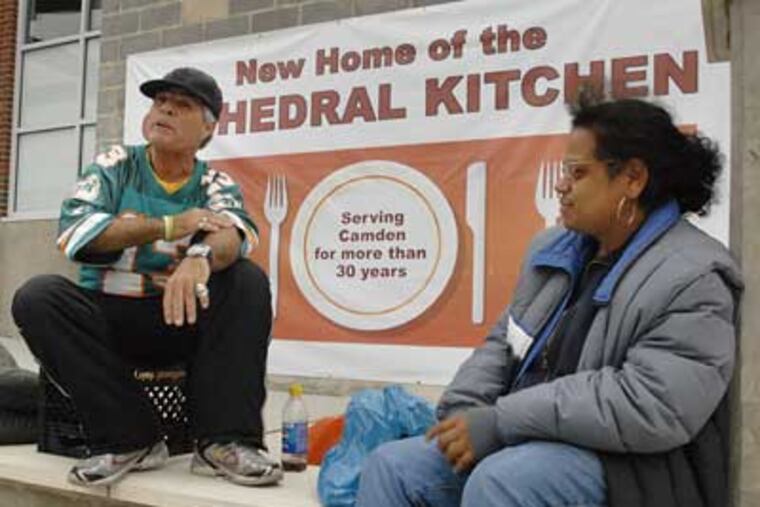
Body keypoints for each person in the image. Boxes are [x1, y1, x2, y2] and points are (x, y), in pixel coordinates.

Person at [356, 97, 742, 507]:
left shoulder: (694, 275)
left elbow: (652, 402)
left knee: (503, 482)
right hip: (530, 436)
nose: (561, 186)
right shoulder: (556, 251)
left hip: (632, 466)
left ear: (632, 178)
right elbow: (503, 343)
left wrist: (503, 421)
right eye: (564, 172)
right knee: (393, 466)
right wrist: (465, 413)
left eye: (578, 173)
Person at [11, 67, 283, 488]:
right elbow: (76, 232)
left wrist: (201, 258)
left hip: (182, 319)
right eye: (161, 102)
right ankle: (129, 439)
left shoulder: (215, 182)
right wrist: (171, 226)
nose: (167, 109)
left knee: (246, 279)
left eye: (183, 105)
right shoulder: (114, 166)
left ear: (208, 128)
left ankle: (223, 442)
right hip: (110, 321)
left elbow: (233, 232)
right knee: (37, 296)